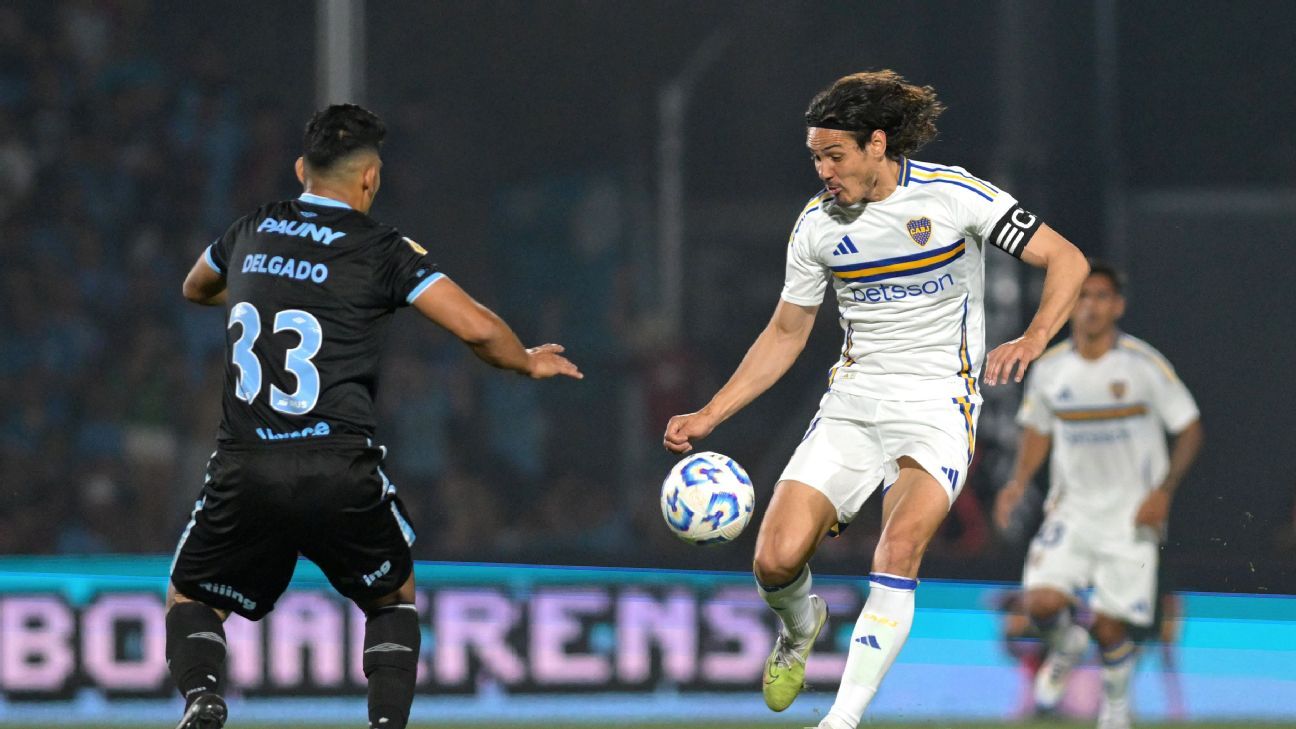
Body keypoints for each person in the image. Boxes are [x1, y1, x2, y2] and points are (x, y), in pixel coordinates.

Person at [661, 70, 1089, 729]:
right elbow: (786, 334)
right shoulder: (816, 227)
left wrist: (1033, 338)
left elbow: (1068, 259)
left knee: (898, 547)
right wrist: (710, 413)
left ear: (877, 144)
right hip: (853, 406)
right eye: (815, 158)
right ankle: (800, 628)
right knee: (774, 560)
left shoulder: (953, 196)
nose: (823, 171)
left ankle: (841, 719)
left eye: (834, 155)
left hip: (938, 407)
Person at [168, 104, 582, 729]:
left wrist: (270, 283)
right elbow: (474, 326)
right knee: (392, 597)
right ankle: (386, 724)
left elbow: (194, 287)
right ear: (371, 178)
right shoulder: (381, 249)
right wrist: (523, 361)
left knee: (192, 596)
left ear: (301, 169)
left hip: (246, 466)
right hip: (337, 466)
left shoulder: (249, 230)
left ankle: (202, 694)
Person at [994, 261, 1202, 729]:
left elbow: (1189, 428)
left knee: (1111, 628)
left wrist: (1164, 492)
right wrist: (1018, 483)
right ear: (1071, 306)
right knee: (1040, 603)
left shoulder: (1142, 365)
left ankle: (1115, 709)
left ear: (1118, 306)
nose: (1090, 307)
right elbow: (1037, 430)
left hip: (1131, 516)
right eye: (1082, 297)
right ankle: (1067, 644)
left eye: (1101, 297)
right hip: (1072, 510)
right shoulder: (1051, 369)